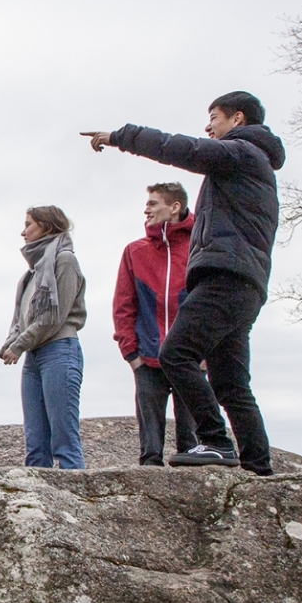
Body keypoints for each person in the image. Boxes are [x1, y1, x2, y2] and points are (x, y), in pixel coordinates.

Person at [82, 90, 285, 475]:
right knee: (230, 383)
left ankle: (217, 441)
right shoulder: (256, 164)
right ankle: (259, 466)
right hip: (246, 284)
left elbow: (184, 150)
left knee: (175, 353)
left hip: (225, 277)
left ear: (237, 119)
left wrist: (122, 136)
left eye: (214, 117)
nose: (208, 126)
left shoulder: (241, 152)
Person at [113, 183, 198, 465]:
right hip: (147, 358)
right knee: (150, 453)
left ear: (174, 207)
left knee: (192, 447)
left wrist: (208, 353)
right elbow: (123, 305)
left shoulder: (200, 247)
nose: (146, 209)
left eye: (153, 203)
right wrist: (131, 353)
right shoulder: (135, 251)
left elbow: (212, 304)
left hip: (190, 357)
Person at [0, 205, 87, 469]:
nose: (23, 231)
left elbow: (53, 316)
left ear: (46, 227)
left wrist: (20, 344)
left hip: (60, 350)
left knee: (64, 439)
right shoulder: (33, 273)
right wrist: (10, 342)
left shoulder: (65, 260)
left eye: (29, 224)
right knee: (35, 443)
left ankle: (76, 503)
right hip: (35, 357)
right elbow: (20, 317)